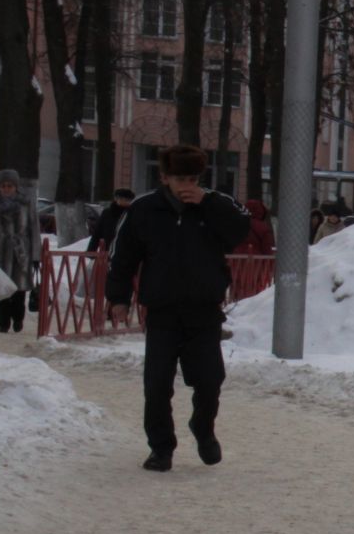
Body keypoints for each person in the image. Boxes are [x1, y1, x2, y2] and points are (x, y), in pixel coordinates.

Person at [105, 144, 250, 473]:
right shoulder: (144, 210)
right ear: (164, 177)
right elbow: (123, 257)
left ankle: (203, 428)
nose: (187, 185)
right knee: (157, 384)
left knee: (210, 380)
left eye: (193, 178)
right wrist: (118, 298)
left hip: (204, 310)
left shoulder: (215, 204)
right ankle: (161, 448)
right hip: (162, 310)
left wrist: (208, 204)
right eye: (179, 178)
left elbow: (240, 230)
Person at [0, 170, 35, 334]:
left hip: (21, 250)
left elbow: (33, 228)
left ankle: (18, 319)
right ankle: (3, 322)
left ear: (16, 187)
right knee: (1, 288)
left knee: (19, 289)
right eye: (3, 186)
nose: (6, 189)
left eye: (10, 186)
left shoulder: (26, 203)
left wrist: (36, 255)